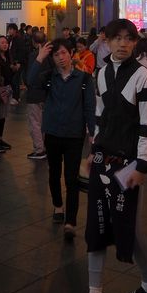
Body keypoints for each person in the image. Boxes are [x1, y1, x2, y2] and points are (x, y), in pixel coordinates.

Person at [67, 19, 147, 293]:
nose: (122, 44)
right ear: (106, 41)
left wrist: (143, 165)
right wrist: (92, 151)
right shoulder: (102, 72)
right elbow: (99, 115)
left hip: (128, 164)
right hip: (102, 160)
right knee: (95, 225)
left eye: (128, 39)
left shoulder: (144, 77)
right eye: (116, 38)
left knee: (128, 228)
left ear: (135, 42)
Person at [29, 38, 95, 241]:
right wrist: (40, 58)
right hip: (53, 133)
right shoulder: (49, 77)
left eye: (64, 53)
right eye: (56, 55)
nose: (60, 58)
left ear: (71, 53)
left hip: (75, 135)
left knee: (72, 178)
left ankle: (71, 221)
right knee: (54, 174)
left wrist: (93, 136)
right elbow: (30, 81)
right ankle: (58, 205)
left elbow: (89, 108)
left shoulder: (84, 79)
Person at [25, 31, 47, 159]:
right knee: (44, 122)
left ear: (33, 42)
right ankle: (44, 146)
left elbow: (30, 77)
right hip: (46, 94)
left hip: (34, 94)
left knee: (35, 122)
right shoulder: (50, 56)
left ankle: (39, 149)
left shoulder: (34, 56)